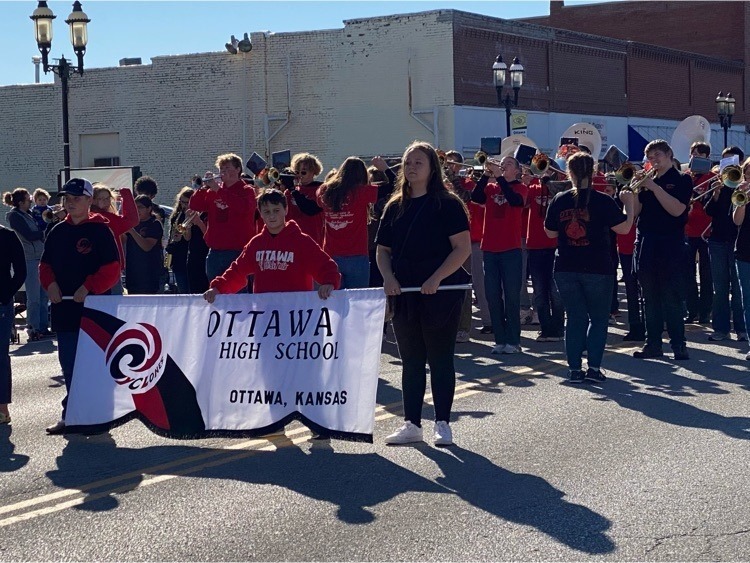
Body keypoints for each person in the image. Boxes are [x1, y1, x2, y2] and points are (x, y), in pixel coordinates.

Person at [376, 141, 471, 446]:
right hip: (405, 293)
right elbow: (382, 251)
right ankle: (412, 423)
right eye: (407, 162)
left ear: (432, 168)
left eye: (418, 162)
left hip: (441, 293)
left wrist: (437, 278)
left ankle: (442, 422)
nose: (411, 167)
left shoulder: (448, 204)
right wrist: (388, 277)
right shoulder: (394, 206)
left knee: (440, 358)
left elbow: (462, 249)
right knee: (412, 361)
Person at [544, 153, 635, 383]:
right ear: (593, 172)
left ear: (570, 173)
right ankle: (594, 368)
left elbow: (550, 232)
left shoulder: (560, 199)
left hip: (566, 265)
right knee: (598, 318)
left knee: (574, 318)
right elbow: (623, 229)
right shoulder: (603, 200)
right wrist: (630, 207)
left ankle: (574, 369)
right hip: (597, 266)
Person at [40, 178, 120, 434]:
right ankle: (72, 414)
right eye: (67, 198)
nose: (70, 202)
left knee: (96, 364)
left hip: (94, 309)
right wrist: (50, 284)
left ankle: (98, 415)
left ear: (89, 201)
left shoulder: (100, 230)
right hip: (64, 309)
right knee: (69, 364)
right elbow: (45, 265)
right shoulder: (57, 231)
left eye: (76, 198)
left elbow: (112, 270)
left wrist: (89, 287)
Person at [204, 188, 340, 298]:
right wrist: (218, 289)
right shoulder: (256, 244)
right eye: (267, 212)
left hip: (295, 315)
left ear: (286, 210)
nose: (272, 216)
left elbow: (325, 265)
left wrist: (329, 282)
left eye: (276, 210)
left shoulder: (302, 241)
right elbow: (237, 271)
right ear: (261, 214)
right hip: (265, 315)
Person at [631, 140, 694, 360]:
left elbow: (677, 210)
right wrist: (633, 194)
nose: (653, 160)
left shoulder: (682, 180)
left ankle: (679, 344)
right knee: (649, 296)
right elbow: (636, 212)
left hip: (670, 243)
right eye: (650, 157)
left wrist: (654, 188)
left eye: (657, 155)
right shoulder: (648, 181)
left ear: (669, 154)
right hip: (647, 241)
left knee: (671, 296)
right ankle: (653, 344)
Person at [471, 155, 529, 355]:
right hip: (490, 248)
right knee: (492, 296)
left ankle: (513, 340)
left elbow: (514, 202)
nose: (503, 165)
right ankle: (500, 339)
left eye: (509, 164)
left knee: (511, 296)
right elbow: (476, 197)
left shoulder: (521, 188)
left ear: (517, 171)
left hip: (511, 249)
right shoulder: (491, 188)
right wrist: (486, 176)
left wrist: (500, 178)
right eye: (502, 163)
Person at [189, 153, 258, 288]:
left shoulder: (247, 190)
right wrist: (203, 188)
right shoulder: (213, 191)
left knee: (238, 295)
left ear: (238, 169)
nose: (223, 172)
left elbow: (242, 208)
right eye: (221, 169)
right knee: (215, 294)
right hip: (215, 252)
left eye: (227, 168)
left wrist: (218, 190)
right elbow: (195, 205)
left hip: (238, 252)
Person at [704, 146, 747, 342]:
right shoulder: (718, 183)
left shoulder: (745, 186)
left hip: (738, 241)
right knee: (720, 288)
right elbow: (709, 211)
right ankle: (720, 329)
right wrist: (716, 193)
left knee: (739, 291)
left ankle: (742, 329)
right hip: (718, 239)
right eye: (725, 161)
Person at [316, 157, 379, 289]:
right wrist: (385, 169)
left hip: (331, 255)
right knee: (357, 302)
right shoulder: (362, 192)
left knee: (334, 303)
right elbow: (391, 187)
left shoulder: (324, 191)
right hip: (357, 254)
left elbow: (317, 203)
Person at [3, 188, 50, 341]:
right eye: (28, 199)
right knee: (34, 296)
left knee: (43, 295)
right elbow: (29, 235)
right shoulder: (15, 217)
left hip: (40, 256)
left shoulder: (30, 214)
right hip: (29, 258)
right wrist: (43, 233)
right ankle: (33, 328)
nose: (31, 200)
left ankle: (43, 327)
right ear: (21, 202)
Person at [526, 168, 565, 342]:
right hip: (535, 245)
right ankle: (545, 328)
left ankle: (558, 329)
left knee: (555, 292)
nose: (544, 172)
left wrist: (550, 182)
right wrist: (526, 181)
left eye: (549, 169)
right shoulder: (532, 188)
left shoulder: (560, 189)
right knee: (539, 291)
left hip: (555, 245)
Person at [684, 141, 714, 325]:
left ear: (707, 158)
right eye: (692, 154)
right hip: (687, 230)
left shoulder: (712, 178)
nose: (695, 158)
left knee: (706, 274)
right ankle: (691, 310)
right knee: (688, 273)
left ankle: (705, 311)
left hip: (706, 231)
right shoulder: (686, 177)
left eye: (699, 155)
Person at [90, 184, 138, 296]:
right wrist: (126, 194)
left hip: (93, 267)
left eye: (107, 198)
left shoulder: (87, 216)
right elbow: (132, 220)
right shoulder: (108, 218)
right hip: (110, 267)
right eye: (101, 198)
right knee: (113, 302)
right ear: (92, 200)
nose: (106, 201)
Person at [0, 226, 26, 424]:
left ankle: (2, 409)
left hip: (1, 304)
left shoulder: (7, 235)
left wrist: (5, 295)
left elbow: (21, 271)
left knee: (0, 355)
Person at [125, 196, 164, 295]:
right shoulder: (133, 223)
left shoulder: (154, 224)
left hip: (150, 274)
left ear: (149, 208)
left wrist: (132, 231)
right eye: (135, 207)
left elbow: (147, 246)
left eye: (140, 207)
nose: (137, 210)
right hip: (133, 273)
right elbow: (123, 241)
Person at [731, 159, 750, 360]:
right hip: (745, 251)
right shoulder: (741, 194)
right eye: (748, 174)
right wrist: (742, 200)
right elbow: (737, 220)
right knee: (749, 301)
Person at [166, 187, 195, 294]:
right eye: (182, 202)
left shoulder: (193, 214)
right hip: (178, 256)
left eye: (187, 202)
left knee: (190, 290)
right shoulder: (177, 215)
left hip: (189, 256)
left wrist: (186, 229)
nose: (184, 205)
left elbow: (188, 237)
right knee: (182, 289)